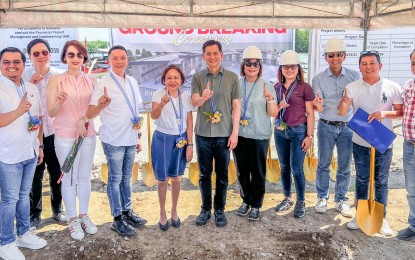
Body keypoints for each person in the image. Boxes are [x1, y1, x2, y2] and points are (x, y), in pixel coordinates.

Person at [338, 50, 403, 236]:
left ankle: (381, 218)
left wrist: (384, 114)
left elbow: (401, 111)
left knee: (381, 181)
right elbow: (342, 112)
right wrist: (344, 100)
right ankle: (360, 215)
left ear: (380, 66)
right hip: (360, 141)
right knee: (362, 178)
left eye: (372, 63)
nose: (368, 66)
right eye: (364, 63)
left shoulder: (392, 87)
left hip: (384, 141)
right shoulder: (352, 87)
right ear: (359, 67)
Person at [87, 45, 147, 237]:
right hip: (113, 139)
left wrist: (138, 137)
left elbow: (135, 112)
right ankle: (117, 218)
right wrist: (100, 105)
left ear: (127, 60)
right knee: (115, 179)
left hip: (130, 138)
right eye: (115, 58)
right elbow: (90, 113)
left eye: (123, 58)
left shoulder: (132, 82)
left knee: (126, 178)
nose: (119, 61)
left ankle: (127, 212)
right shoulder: (102, 83)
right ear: (109, 61)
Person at [46, 40, 97, 240]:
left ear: (84, 57)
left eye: (79, 55)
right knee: (68, 178)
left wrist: (86, 119)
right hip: (65, 137)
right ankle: (72, 219)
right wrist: (59, 102)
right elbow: (51, 112)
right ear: (65, 57)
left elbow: (94, 109)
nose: (75, 58)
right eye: (71, 55)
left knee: (84, 177)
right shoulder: (56, 80)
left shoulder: (91, 80)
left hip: (88, 134)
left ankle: (84, 215)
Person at [0, 47, 47, 260]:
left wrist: (39, 146)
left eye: (16, 62)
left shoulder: (31, 87)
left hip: (29, 151)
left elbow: (38, 119)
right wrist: (18, 112)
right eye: (6, 62)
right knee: (9, 199)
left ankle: (24, 233)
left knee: (23, 196)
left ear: (23, 64)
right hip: (8, 155)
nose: (12, 65)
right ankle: (5, 241)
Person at [191, 40, 241, 227]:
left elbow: (236, 106)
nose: (212, 57)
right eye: (208, 54)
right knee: (204, 174)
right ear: (203, 56)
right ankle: (205, 209)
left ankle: (219, 209)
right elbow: (194, 101)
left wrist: (235, 132)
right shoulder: (197, 77)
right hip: (203, 133)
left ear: (222, 55)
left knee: (222, 174)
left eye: (215, 53)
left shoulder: (232, 77)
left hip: (224, 133)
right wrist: (202, 98)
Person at [22, 38, 68, 229]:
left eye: (44, 52)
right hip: (32, 135)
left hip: (56, 133)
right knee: (35, 177)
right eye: (36, 53)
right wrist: (29, 85)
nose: (41, 56)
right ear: (30, 56)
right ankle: (35, 214)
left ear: (50, 53)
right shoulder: (23, 76)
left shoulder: (60, 76)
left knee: (57, 174)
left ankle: (58, 210)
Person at [312, 38, 360, 217]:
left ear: (344, 56)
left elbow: (358, 102)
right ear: (326, 57)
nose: (335, 58)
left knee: (345, 165)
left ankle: (341, 199)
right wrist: (318, 104)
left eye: (339, 55)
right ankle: (322, 197)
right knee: (323, 164)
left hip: (348, 127)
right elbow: (320, 107)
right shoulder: (318, 79)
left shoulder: (354, 76)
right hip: (326, 126)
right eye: (331, 55)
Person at [233, 46, 278, 221]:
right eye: (248, 63)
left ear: (260, 66)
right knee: (242, 170)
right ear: (243, 65)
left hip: (260, 134)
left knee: (258, 171)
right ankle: (245, 200)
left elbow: (273, 113)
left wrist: (270, 100)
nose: (252, 67)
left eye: (255, 64)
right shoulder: (236, 83)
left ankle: (256, 205)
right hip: (240, 134)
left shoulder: (267, 85)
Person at [151, 64, 193, 231]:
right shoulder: (158, 94)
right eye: (169, 77)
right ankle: (162, 212)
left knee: (176, 178)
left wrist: (190, 145)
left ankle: (174, 210)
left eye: (176, 77)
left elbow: (189, 122)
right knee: (162, 180)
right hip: (162, 139)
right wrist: (161, 104)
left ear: (181, 80)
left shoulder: (186, 97)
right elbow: (154, 116)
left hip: (180, 140)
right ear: (164, 80)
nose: (173, 80)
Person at [273, 50, 315, 218]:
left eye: (292, 66)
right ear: (281, 69)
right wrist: (278, 107)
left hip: (299, 132)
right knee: (284, 167)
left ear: (298, 68)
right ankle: (287, 197)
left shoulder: (305, 88)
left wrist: (309, 136)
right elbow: (271, 111)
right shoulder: (276, 87)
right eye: (286, 67)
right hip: (280, 132)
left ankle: (301, 201)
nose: (289, 70)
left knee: (296, 168)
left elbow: (311, 113)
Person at [397, 49, 415, 241]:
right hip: (410, 145)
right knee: (412, 188)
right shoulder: (409, 85)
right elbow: (401, 111)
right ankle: (414, 224)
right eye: (413, 63)